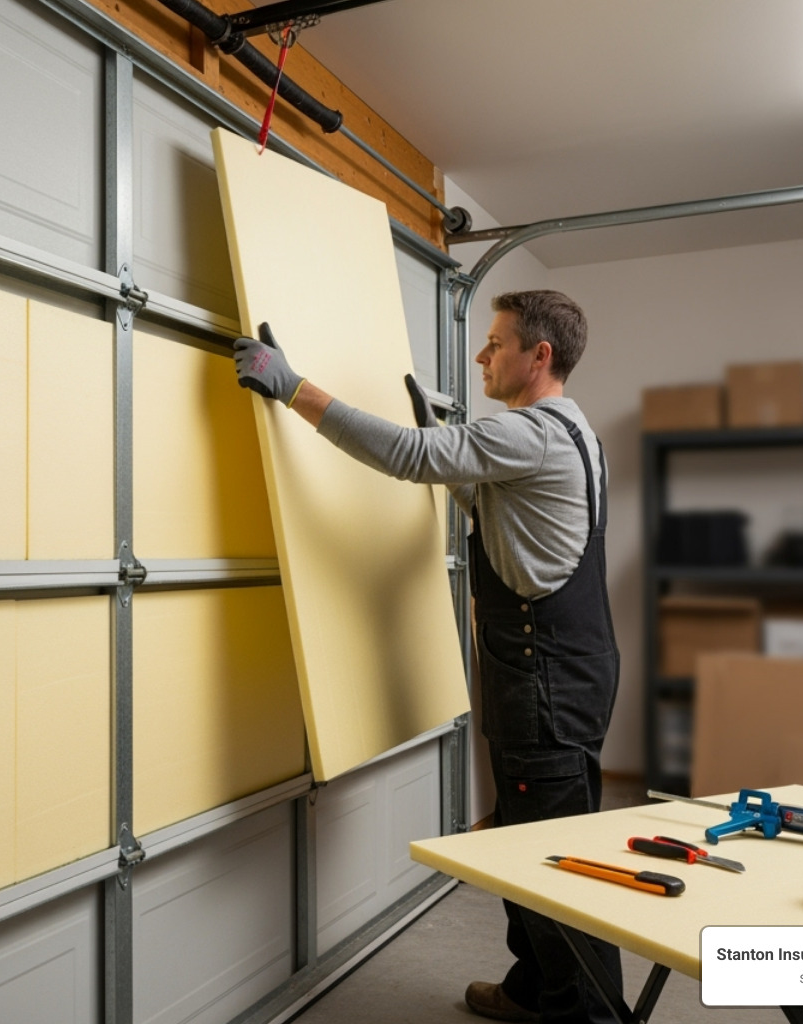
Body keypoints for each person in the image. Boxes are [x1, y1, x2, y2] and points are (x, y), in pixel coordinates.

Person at [232, 290, 620, 1024]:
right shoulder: (574, 435)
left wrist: (292, 387)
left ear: (540, 357)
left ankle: (591, 1017)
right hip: (565, 671)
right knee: (525, 842)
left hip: (544, 682)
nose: (481, 355)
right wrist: (454, 452)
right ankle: (534, 992)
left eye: (496, 343)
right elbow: (511, 519)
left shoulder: (530, 434)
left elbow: (412, 459)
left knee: (561, 867)